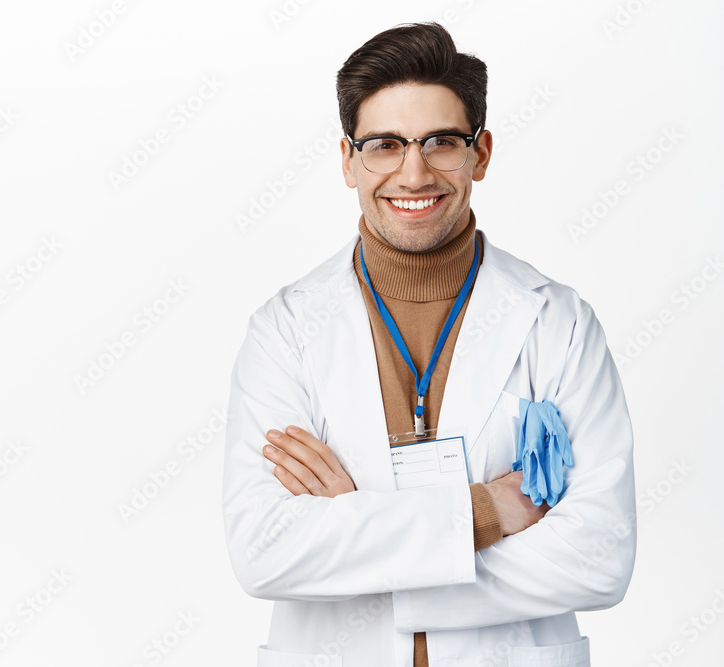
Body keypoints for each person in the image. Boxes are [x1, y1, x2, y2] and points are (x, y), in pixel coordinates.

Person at [221, 22, 635, 667]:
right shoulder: (286, 330)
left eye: (441, 142)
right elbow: (264, 552)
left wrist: (358, 528)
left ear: (482, 153)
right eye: (384, 144)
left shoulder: (559, 323)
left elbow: (599, 557)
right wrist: (486, 510)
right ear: (348, 160)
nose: (413, 173)